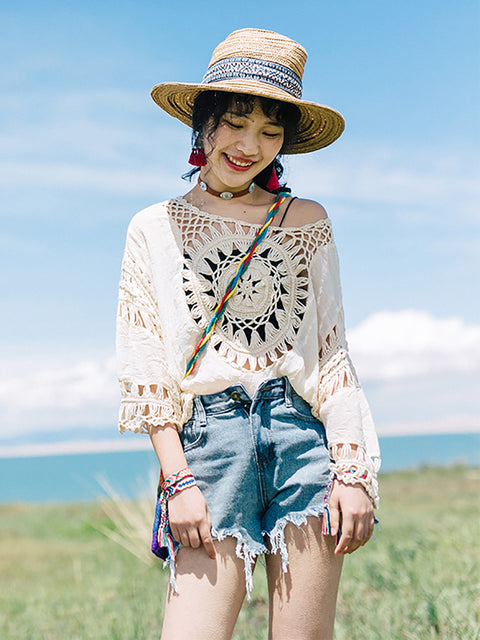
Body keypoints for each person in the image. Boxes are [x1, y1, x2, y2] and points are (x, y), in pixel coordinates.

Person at [116, 28, 380, 640]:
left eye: (270, 130)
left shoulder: (306, 222)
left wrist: (352, 470)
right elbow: (146, 361)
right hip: (209, 442)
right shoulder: (152, 228)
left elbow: (331, 350)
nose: (249, 145)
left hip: (302, 438)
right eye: (236, 122)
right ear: (203, 121)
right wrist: (176, 478)